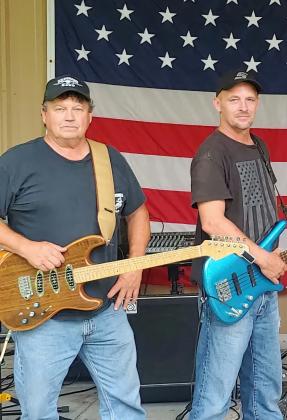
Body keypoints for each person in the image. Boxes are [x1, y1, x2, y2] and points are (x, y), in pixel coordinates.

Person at [0, 75, 149, 419]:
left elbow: (138, 212)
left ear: (90, 115)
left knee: (126, 407)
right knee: (38, 412)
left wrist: (134, 264)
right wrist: (27, 248)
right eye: (60, 108)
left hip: (106, 308)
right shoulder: (17, 162)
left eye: (77, 108)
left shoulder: (109, 160)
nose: (69, 115)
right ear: (44, 114)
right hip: (43, 315)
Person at [189, 69, 287, 420]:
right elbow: (213, 222)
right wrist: (262, 257)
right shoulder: (211, 153)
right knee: (215, 397)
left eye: (250, 99)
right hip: (229, 282)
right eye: (234, 99)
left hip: (262, 283)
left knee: (265, 390)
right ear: (218, 103)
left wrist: (271, 253)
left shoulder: (258, 145)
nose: (243, 107)